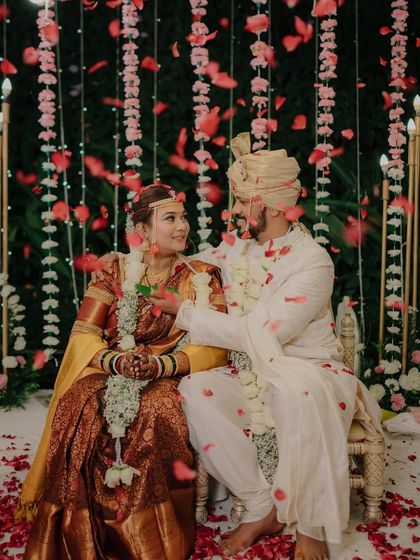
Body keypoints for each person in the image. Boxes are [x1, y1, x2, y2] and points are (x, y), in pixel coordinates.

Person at [149, 133, 383, 560]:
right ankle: (262, 504)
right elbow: (190, 263)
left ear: (272, 206)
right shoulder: (237, 248)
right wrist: (133, 257)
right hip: (251, 372)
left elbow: (262, 331)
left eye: (241, 202)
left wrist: (185, 312)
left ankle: (311, 526)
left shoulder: (312, 260)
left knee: (299, 392)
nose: (234, 211)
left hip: (309, 370)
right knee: (195, 389)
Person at [16, 184, 228, 560]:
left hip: (168, 373)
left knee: (155, 413)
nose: (183, 226)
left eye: (183, 217)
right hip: (113, 365)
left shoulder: (202, 276)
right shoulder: (113, 269)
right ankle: (83, 530)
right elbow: (84, 332)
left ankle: (147, 537)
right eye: (171, 219)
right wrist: (114, 361)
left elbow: (215, 344)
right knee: (79, 404)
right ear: (142, 231)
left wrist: (159, 364)